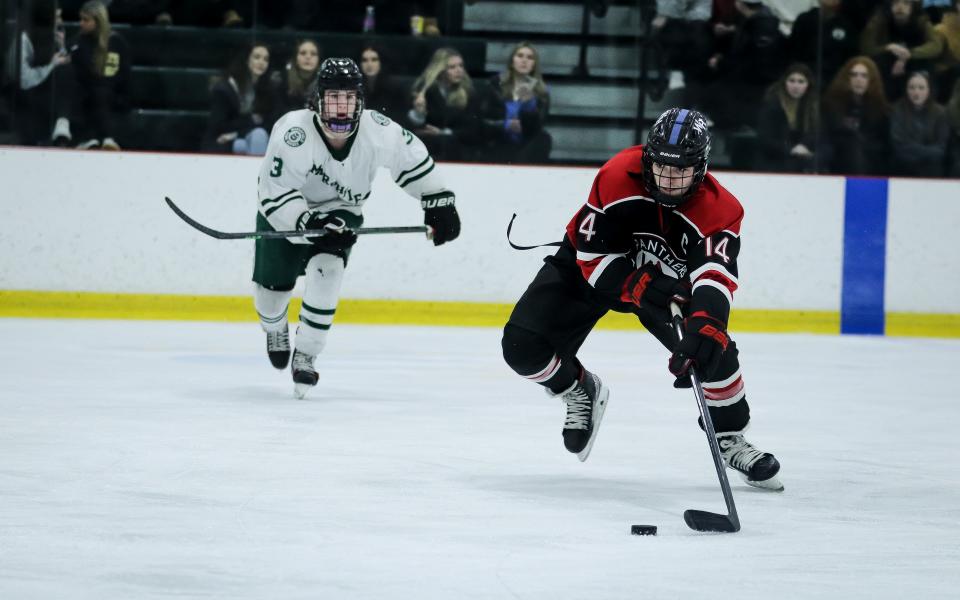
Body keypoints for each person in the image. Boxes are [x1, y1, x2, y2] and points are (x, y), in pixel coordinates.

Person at [500, 108, 783, 491]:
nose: (668, 180)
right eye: (661, 167)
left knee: (711, 348)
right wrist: (637, 285)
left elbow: (714, 276)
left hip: (667, 286)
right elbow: (592, 258)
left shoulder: (721, 209)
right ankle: (577, 388)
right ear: (647, 158)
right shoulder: (616, 175)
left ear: (701, 168)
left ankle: (729, 436)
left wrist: (708, 323)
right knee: (522, 346)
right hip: (601, 269)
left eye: (680, 169)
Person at [253, 58, 461, 398]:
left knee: (328, 269)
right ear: (318, 100)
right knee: (270, 296)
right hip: (288, 211)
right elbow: (273, 194)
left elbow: (411, 157)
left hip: (341, 210)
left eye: (347, 99)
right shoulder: (293, 132)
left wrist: (438, 201)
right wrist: (307, 222)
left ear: (359, 101)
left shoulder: (376, 130)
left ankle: (306, 353)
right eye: (333, 98)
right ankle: (275, 327)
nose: (340, 108)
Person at [3, 0, 75, 146]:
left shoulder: (52, 36)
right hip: (21, 97)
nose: (60, 21)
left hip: (46, 94)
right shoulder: (24, 39)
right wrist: (52, 65)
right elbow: (24, 81)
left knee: (67, 72)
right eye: (57, 17)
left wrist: (61, 47)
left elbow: (62, 66)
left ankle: (63, 122)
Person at [68, 0, 131, 150]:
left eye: (85, 20)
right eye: (80, 19)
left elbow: (124, 74)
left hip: (110, 95)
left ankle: (104, 137)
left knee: (101, 92)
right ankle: (100, 138)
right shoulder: (77, 42)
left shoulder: (117, 42)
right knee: (92, 93)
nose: (81, 23)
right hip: (85, 95)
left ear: (98, 21)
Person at [479, 41, 552, 164]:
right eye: (520, 56)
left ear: (534, 64)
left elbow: (537, 127)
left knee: (544, 139)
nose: (524, 60)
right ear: (512, 61)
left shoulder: (542, 92)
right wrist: (506, 125)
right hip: (499, 139)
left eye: (530, 58)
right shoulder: (495, 85)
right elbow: (483, 120)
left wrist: (529, 106)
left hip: (526, 144)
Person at [407, 47, 483, 160]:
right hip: (429, 150)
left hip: (459, 151)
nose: (459, 70)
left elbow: (474, 130)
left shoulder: (469, 93)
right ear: (440, 70)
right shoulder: (424, 91)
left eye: (461, 66)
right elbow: (414, 130)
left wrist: (444, 133)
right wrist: (419, 113)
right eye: (452, 67)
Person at [860, 0, 943, 99]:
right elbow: (866, 47)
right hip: (887, 62)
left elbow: (936, 46)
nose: (900, 7)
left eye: (906, 3)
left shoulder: (920, 19)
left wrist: (909, 54)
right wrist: (887, 47)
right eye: (895, 3)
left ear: (912, 7)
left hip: (915, 61)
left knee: (927, 66)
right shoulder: (881, 18)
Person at [203, 43, 276, 155]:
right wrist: (251, 121)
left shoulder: (268, 89)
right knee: (254, 138)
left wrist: (239, 132)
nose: (261, 62)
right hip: (222, 142)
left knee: (259, 135)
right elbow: (219, 126)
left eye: (266, 59)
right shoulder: (225, 89)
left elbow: (269, 124)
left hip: (246, 137)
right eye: (257, 57)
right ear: (246, 60)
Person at [822, 56, 890, 174]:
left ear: (871, 80)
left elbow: (884, 143)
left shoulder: (880, 108)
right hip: (839, 160)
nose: (859, 80)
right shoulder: (832, 104)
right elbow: (829, 135)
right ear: (846, 78)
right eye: (854, 75)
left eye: (864, 76)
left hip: (871, 161)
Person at [756, 63, 821, 172]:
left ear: (808, 84)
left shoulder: (813, 108)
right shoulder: (773, 106)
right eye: (792, 81)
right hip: (774, 163)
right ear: (785, 82)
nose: (796, 86)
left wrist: (804, 147)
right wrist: (792, 150)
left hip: (803, 161)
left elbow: (818, 136)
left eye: (801, 81)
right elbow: (765, 140)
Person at [890, 70, 949, 175]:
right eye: (912, 88)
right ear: (906, 89)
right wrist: (927, 151)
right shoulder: (897, 110)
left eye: (921, 88)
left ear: (929, 90)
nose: (916, 92)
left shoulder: (940, 113)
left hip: (932, 170)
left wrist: (914, 149)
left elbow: (941, 149)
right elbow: (898, 147)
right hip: (903, 168)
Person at [271, 39, 321, 117]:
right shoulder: (282, 80)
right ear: (295, 58)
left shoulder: (324, 83)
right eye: (303, 53)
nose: (308, 57)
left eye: (313, 54)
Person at [357, 44, 406, 122]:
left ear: (381, 62)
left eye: (374, 59)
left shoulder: (394, 89)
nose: (369, 64)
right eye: (365, 60)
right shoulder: (355, 88)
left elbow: (400, 119)